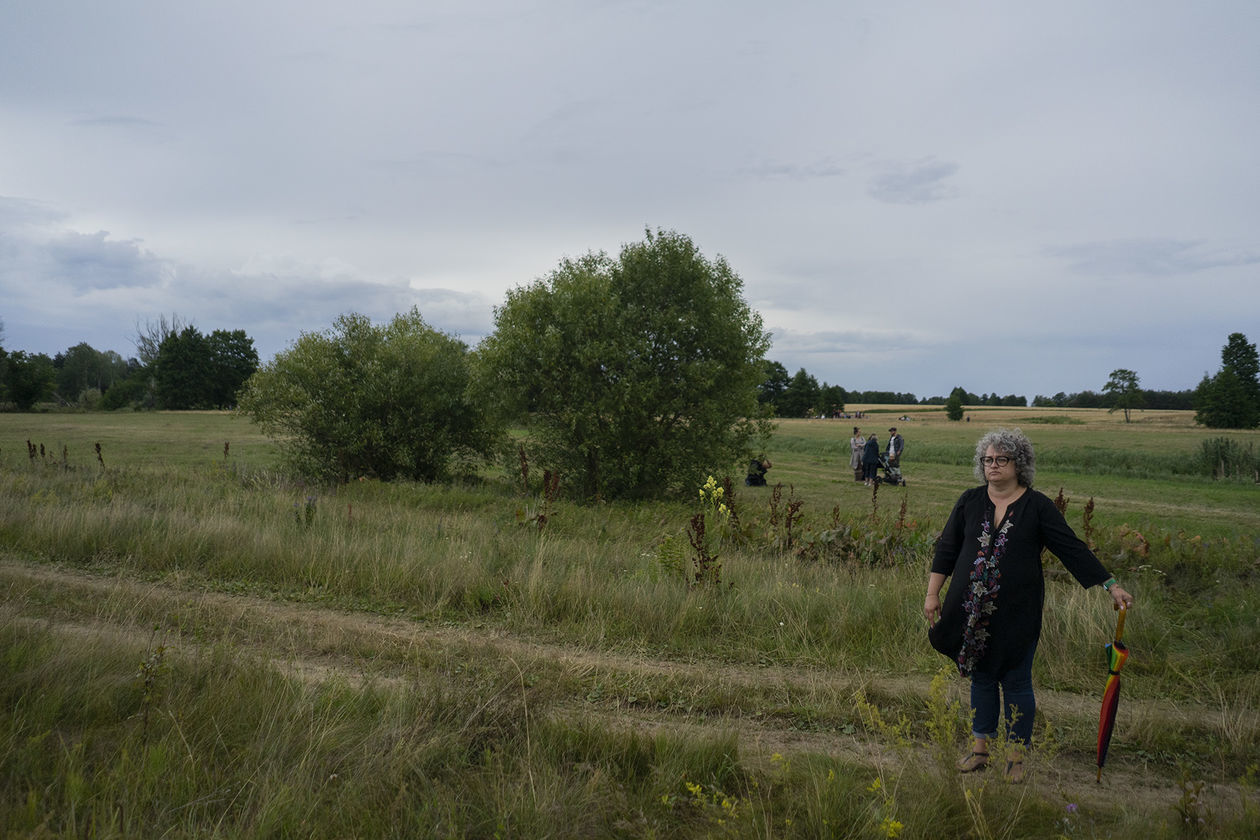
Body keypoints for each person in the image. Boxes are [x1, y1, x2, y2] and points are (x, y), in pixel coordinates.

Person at [923, 428, 1134, 784]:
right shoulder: (970, 501)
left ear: (1019, 464)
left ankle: (1015, 758)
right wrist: (933, 594)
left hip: (1017, 613)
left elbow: (1071, 548)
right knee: (982, 678)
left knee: (1017, 680)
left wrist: (1109, 584)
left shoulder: (1037, 506)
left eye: (1001, 460)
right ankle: (979, 751)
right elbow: (947, 548)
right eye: (987, 460)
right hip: (972, 612)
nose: (993, 466)